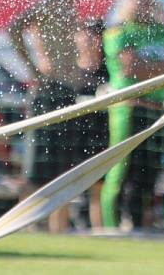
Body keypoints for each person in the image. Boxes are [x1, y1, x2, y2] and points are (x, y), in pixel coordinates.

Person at [8, 0, 90, 233]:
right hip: (47, 90)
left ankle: (57, 230)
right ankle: (25, 227)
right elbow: (14, 28)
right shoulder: (50, 2)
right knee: (36, 166)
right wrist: (33, 66)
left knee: (62, 166)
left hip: (65, 90)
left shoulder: (69, 7)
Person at [101, 0, 164, 231]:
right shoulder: (119, 32)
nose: (147, 4)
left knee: (149, 173)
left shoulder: (162, 30)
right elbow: (131, 69)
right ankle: (110, 227)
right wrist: (162, 68)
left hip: (156, 108)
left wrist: (154, 68)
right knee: (120, 170)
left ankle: (140, 226)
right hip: (129, 109)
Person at [74, 18, 110, 229]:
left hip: (100, 131)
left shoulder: (107, 70)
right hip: (74, 134)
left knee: (99, 184)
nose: (88, 40)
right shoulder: (70, 69)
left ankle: (99, 230)